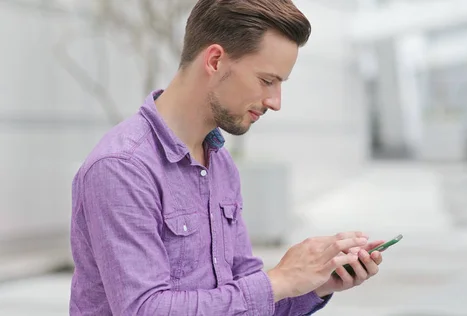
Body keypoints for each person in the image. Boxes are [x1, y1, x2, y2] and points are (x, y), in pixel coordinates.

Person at [69, 0, 385, 315]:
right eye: (267, 80)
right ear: (216, 60)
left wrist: (315, 282)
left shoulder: (219, 163)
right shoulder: (122, 166)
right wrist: (280, 279)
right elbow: (145, 309)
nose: (275, 102)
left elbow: (245, 301)